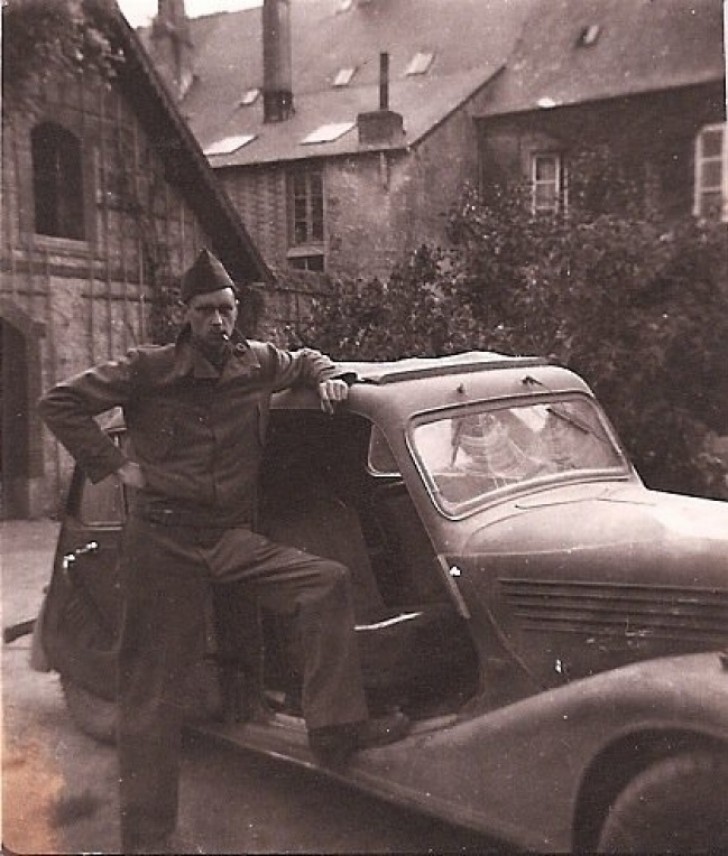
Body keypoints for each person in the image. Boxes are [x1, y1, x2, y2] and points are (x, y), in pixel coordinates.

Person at [38, 248, 409, 854]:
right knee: (152, 694)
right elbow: (59, 402)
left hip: (231, 537)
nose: (220, 322)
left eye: (228, 309)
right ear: (185, 314)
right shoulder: (148, 369)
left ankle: (335, 730)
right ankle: (150, 840)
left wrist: (326, 378)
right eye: (207, 310)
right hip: (161, 544)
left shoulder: (256, 362)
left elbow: (306, 358)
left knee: (325, 581)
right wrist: (115, 467)